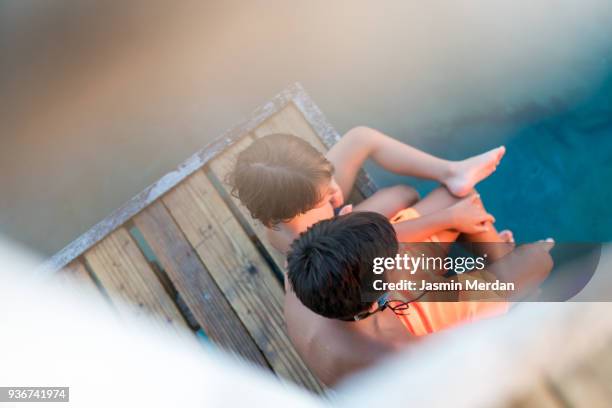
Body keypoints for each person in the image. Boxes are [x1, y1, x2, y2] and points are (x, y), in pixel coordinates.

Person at [286, 211, 555, 385]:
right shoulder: (404, 355)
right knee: (537, 259)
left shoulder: (304, 270)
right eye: (392, 259)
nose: (399, 253)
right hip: (415, 354)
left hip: (369, 338)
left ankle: (499, 266)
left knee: (456, 217)